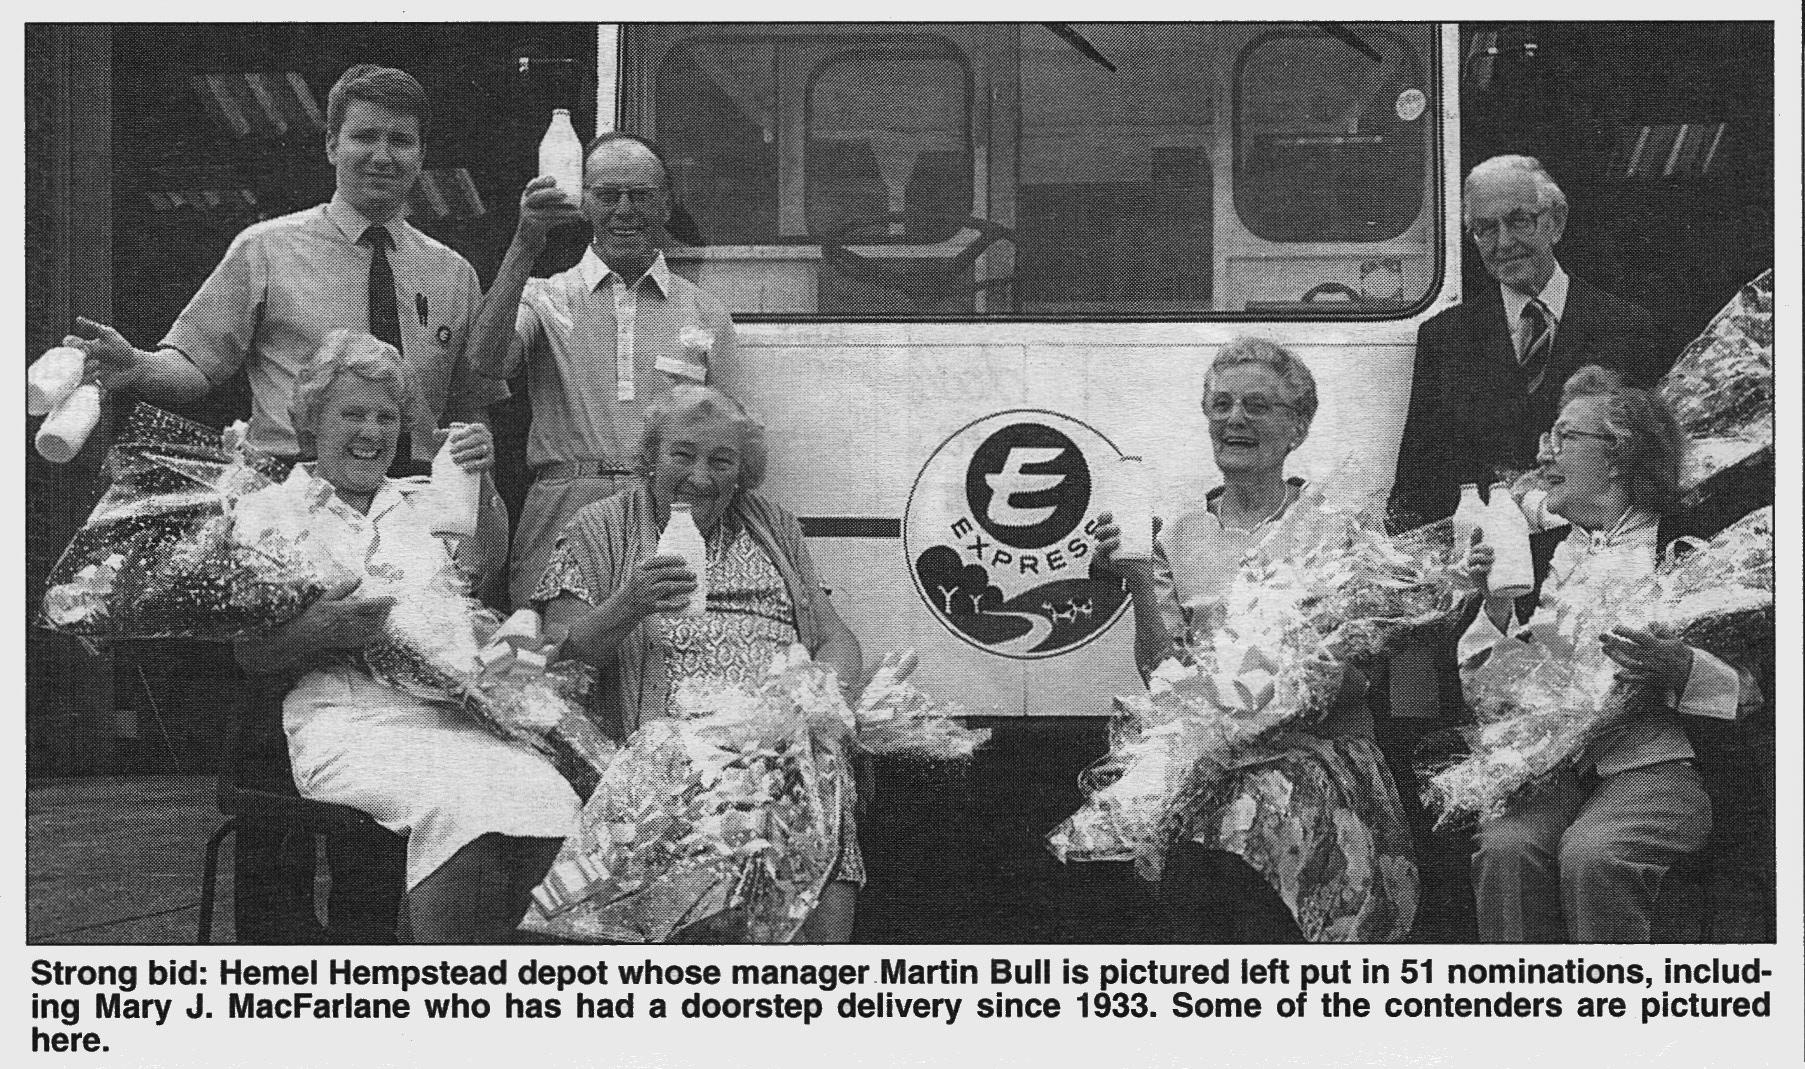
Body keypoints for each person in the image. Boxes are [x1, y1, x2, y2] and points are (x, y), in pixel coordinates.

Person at [232, 331, 580, 943]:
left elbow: (477, 579)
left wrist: (481, 482)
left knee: (552, 798)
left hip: (457, 717)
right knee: (464, 810)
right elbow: (249, 654)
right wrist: (317, 631)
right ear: (310, 423)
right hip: (348, 719)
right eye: (352, 414)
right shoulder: (266, 511)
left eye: (385, 417)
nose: (371, 432)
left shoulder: (424, 502)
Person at [1094, 338, 1419, 943]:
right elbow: (1162, 675)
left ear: (1298, 428)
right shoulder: (1179, 535)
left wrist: (1292, 680)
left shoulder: (1337, 528)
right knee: (1174, 823)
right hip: (1211, 754)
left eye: (1257, 406)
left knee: (1250, 816)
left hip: (1319, 751)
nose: (1235, 419)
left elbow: (1361, 674)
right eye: (1221, 405)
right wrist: (1136, 576)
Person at [535, 384, 864, 942]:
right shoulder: (599, 527)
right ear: (651, 458)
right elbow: (557, 662)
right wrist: (628, 604)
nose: (700, 477)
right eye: (682, 455)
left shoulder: (774, 527)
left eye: (721, 460)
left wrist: (816, 691)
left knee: (817, 768)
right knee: (749, 788)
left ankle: (816, 970)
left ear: (742, 472)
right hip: (668, 741)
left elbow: (836, 639)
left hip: (778, 732)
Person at [64, 64, 502, 481]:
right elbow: (196, 367)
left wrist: (480, 502)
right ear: (332, 145)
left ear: (421, 154)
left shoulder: (455, 275)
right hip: (288, 493)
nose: (382, 156)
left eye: (400, 141)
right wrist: (138, 366)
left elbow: (471, 407)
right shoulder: (266, 249)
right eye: (364, 136)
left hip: (416, 500)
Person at [1459, 366, 1760, 942]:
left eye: (1565, 437)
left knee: (1594, 853)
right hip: (1551, 767)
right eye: (1548, 437)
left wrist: (1682, 668)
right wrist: (1493, 605)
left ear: (1619, 456)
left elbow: (1753, 691)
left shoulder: (1692, 543)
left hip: (1656, 764)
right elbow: (1487, 695)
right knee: (1507, 847)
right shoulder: (1535, 551)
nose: (1544, 455)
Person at [470, 132, 738, 610]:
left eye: (641, 195)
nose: (624, 210)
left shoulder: (706, 312)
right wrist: (525, 246)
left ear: (667, 205)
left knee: (660, 643)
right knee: (548, 647)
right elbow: (487, 362)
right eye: (608, 195)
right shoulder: (545, 296)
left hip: (663, 506)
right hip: (563, 504)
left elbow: (727, 441)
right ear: (584, 203)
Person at [1389, 155, 1662, 531]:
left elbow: (1647, 467)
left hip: (1588, 551)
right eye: (1485, 229)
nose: (1503, 243)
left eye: (1519, 221)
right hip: (1483, 555)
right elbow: (1416, 485)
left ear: (1556, 222)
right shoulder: (1445, 337)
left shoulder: (1626, 327)